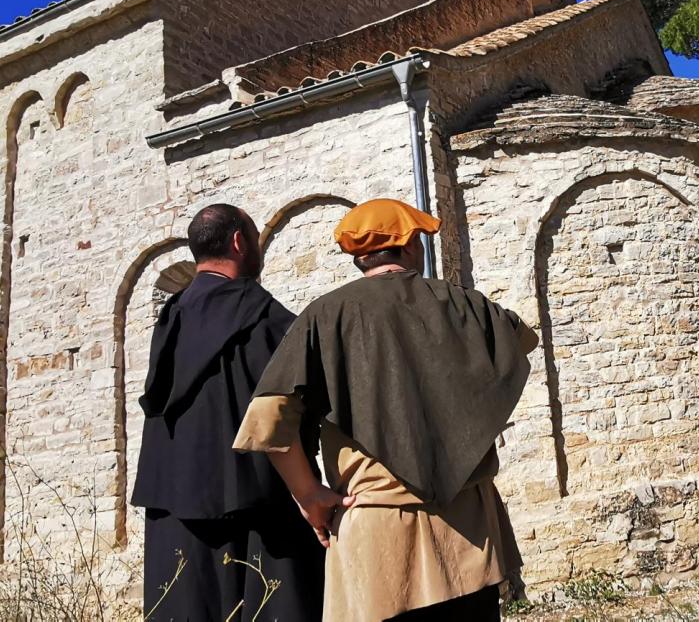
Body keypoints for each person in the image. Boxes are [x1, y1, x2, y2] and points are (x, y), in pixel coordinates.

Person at [233, 198, 538, 622]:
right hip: (468, 530)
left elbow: (268, 422)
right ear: (412, 245)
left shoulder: (325, 315)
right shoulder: (466, 303)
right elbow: (521, 340)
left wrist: (309, 495)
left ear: (359, 256)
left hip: (375, 532)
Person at [132, 204, 324, 620]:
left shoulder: (170, 319)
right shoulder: (268, 318)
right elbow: (286, 411)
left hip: (175, 509)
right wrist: (309, 492)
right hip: (263, 513)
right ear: (240, 242)